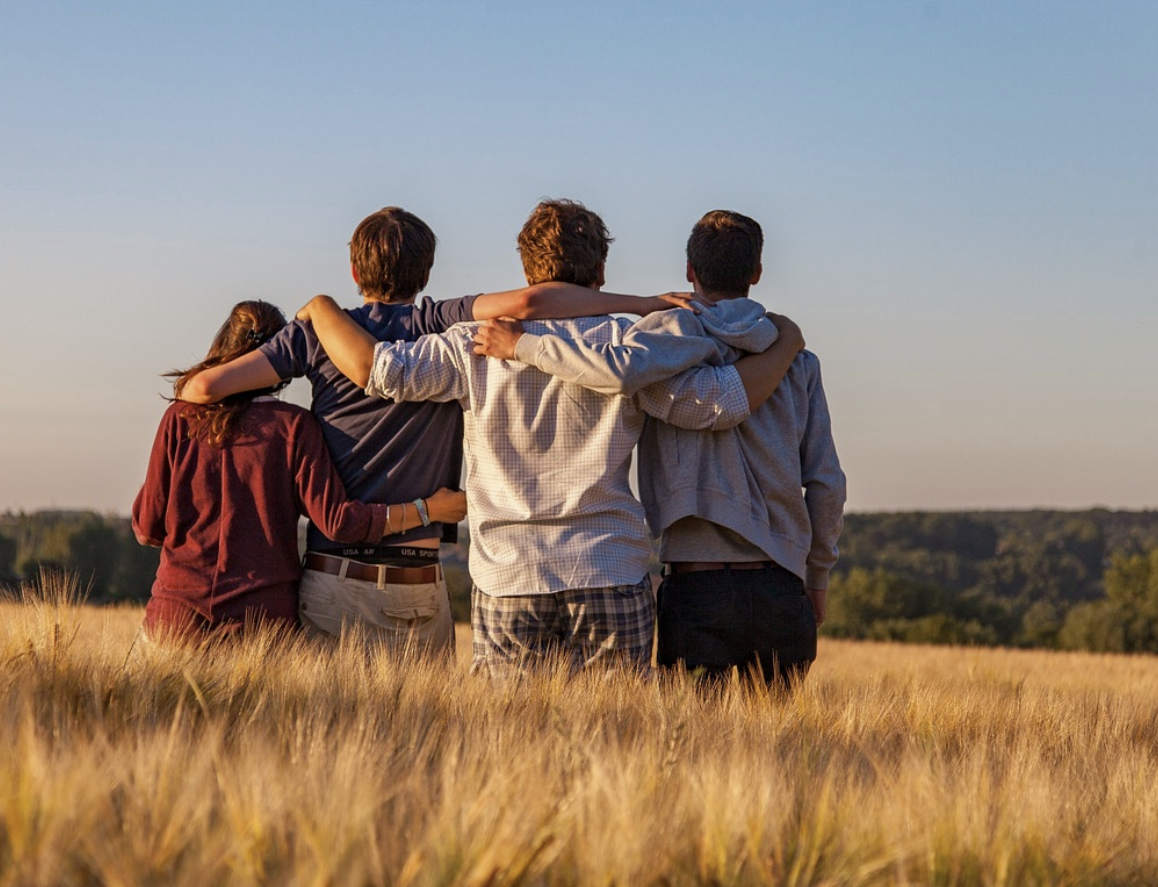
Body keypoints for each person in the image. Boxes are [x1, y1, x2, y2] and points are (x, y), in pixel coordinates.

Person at [298, 199, 805, 677]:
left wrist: (321, 309)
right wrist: (786, 344)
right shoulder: (629, 346)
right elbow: (715, 405)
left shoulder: (471, 344)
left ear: (526, 272)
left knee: (510, 744)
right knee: (617, 740)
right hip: (608, 566)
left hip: (508, 574)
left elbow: (382, 372)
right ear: (601, 273)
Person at [175, 207, 689, 653]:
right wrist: (642, 304)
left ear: (355, 270)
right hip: (418, 580)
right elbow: (533, 304)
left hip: (333, 575)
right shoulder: (441, 322)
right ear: (427, 271)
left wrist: (314, 315)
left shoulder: (315, 334)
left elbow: (201, 391)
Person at [474, 210, 845, 687]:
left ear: (690, 271)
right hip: (782, 585)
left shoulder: (658, 345)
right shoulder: (797, 361)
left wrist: (524, 345)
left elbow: (618, 372)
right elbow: (827, 483)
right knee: (775, 753)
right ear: (756, 273)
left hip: (696, 586)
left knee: (689, 749)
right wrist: (817, 575)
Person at [132, 299, 466, 645]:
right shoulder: (294, 427)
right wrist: (428, 510)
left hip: (175, 619)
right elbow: (339, 522)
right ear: (281, 359)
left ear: (224, 346)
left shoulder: (180, 418)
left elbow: (148, 527)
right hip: (261, 627)